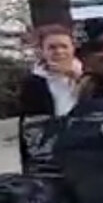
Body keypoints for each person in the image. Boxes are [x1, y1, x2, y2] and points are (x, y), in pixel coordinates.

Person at [18, 24, 82, 170]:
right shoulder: (34, 82)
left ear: (73, 48)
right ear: (42, 51)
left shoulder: (89, 74)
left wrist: (77, 78)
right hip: (53, 152)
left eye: (64, 46)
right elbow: (31, 127)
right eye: (52, 47)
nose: (59, 51)